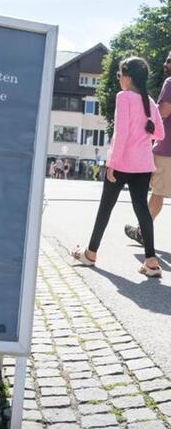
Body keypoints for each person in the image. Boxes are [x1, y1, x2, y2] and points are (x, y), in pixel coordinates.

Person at [71, 57, 165, 277]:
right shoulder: (149, 101)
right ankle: (151, 263)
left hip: (122, 163)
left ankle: (90, 253)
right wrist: (146, 129)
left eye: (119, 75)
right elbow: (160, 134)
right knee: (142, 211)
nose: (119, 79)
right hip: (143, 165)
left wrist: (111, 163)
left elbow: (120, 134)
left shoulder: (124, 98)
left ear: (128, 76)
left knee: (106, 207)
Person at [125, 51, 171, 245]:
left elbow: (164, 111)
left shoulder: (170, 83)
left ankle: (143, 232)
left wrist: (147, 113)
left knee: (157, 191)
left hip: (166, 148)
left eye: (170, 60)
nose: (166, 62)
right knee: (157, 190)